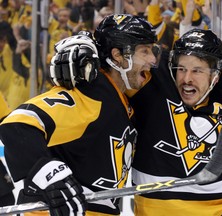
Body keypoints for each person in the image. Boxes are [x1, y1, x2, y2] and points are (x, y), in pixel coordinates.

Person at [51, 25, 222, 215]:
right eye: (181, 68)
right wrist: (82, 48)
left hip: (221, 206)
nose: (186, 78)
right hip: (156, 208)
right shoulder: (150, 79)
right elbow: (116, 54)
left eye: (197, 70)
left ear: (216, 74)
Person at [0, 14, 158, 215]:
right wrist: (49, 174)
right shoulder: (91, 94)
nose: (152, 60)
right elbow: (17, 125)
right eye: (145, 51)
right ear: (119, 55)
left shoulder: (120, 98)